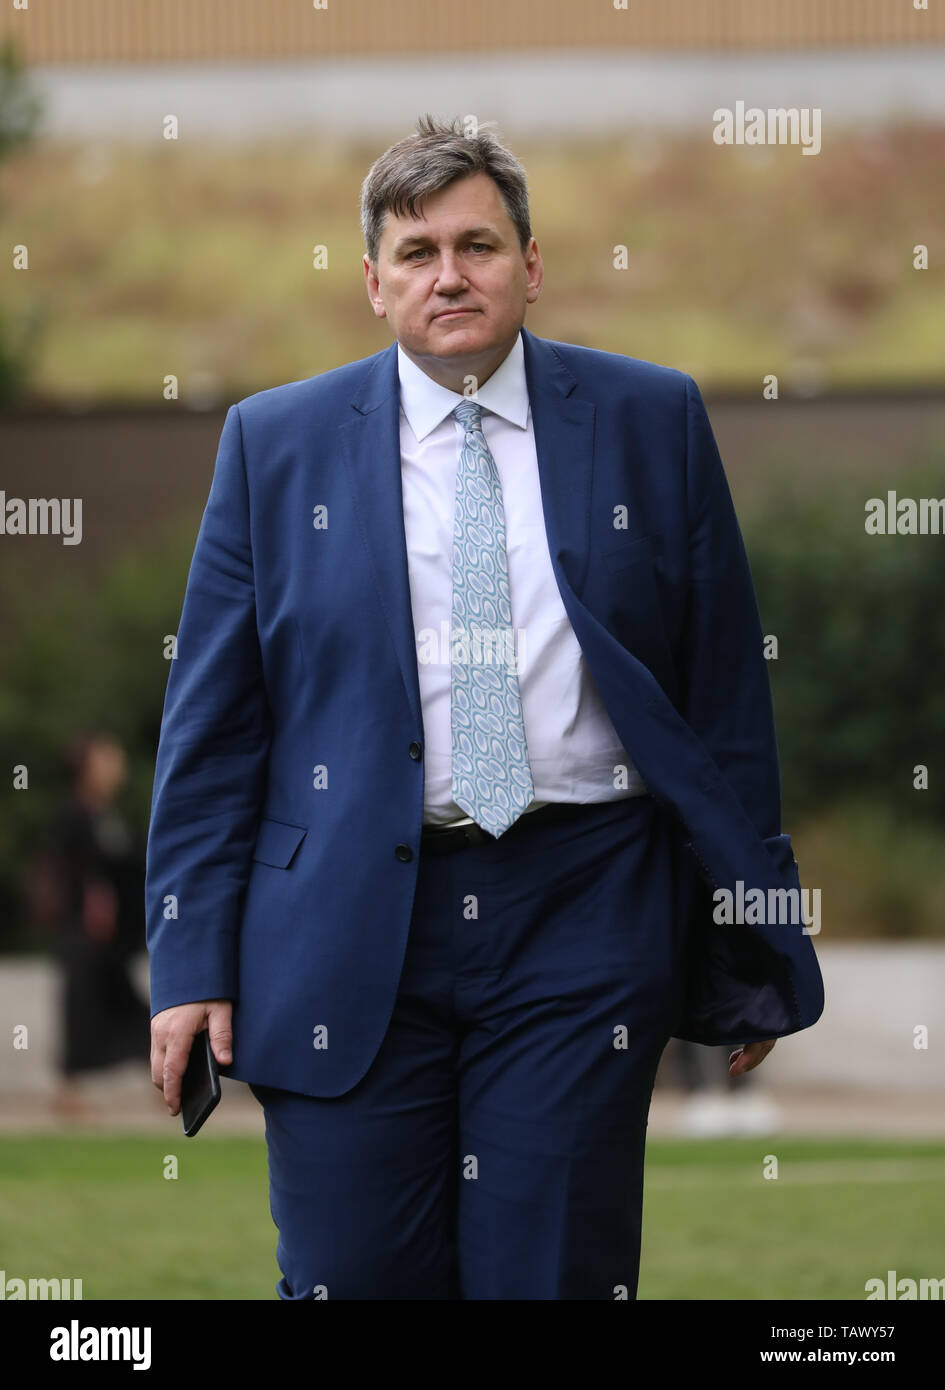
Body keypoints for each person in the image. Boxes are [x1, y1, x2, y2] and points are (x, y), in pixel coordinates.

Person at [147, 115, 823, 1300]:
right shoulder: (274, 445)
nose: (449, 275)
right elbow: (213, 729)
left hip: (581, 908)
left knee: (551, 1274)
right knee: (349, 1275)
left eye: (478, 244)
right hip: (347, 921)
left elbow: (722, 706)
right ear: (372, 283)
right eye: (417, 253)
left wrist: (748, 922)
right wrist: (190, 954)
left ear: (532, 265)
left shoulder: (651, 421)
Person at [39, 731, 150, 1119]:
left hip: (113, 938)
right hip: (86, 935)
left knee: (129, 1007)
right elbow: (78, 872)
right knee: (83, 1008)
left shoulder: (109, 816)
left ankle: (163, 1078)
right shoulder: (74, 817)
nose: (116, 768)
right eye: (107, 760)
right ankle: (68, 1093)